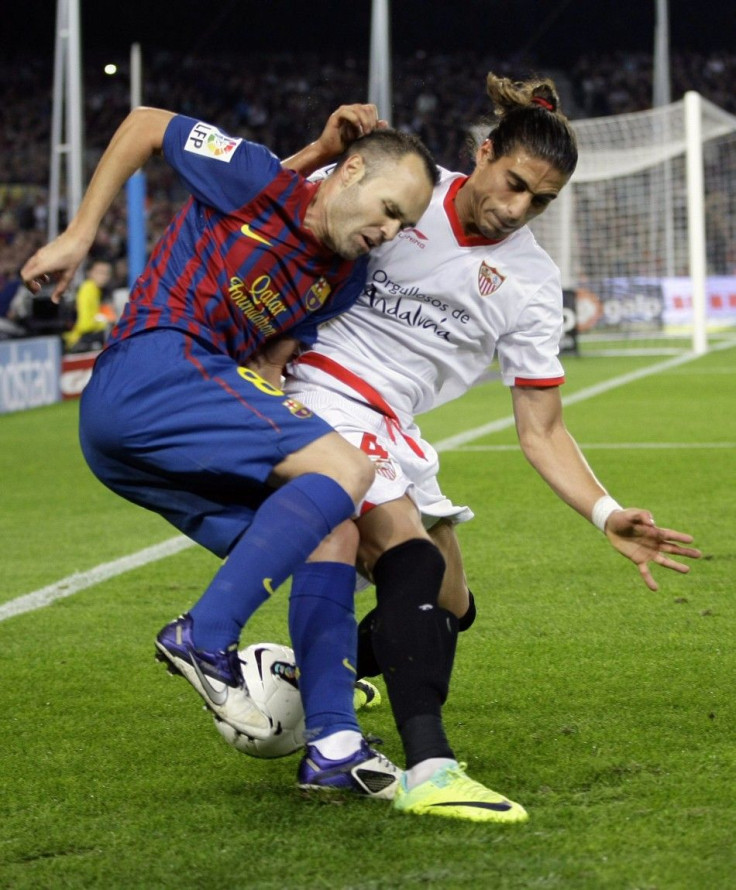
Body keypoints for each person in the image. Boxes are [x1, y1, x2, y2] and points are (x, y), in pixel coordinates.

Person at [280, 73, 702, 822]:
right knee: (412, 558)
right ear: (482, 153)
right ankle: (430, 768)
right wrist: (318, 150)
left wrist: (605, 513)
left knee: (451, 606)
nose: (516, 209)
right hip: (318, 390)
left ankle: (297, 678)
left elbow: (541, 428)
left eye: (539, 200)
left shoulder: (532, 282)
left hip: (394, 422)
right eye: (512, 184)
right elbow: (273, 208)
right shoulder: (404, 188)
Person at [21, 103, 438, 798]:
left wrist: (277, 372)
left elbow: (274, 354)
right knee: (349, 468)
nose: (388, 231)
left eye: (403, 225)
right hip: (154, 366)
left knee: (333, 529)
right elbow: (146, 124)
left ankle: (333, 742)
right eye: (390, 209)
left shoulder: (342, 280)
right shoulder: (252, 178)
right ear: (354, 169)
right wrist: (78, 235)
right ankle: (204, 636)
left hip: (154, 432)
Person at [63, 258, 113, 352]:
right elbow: (85, 324)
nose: (104, 276)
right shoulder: (88, 288)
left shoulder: (99, 291)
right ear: (90, 273)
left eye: (107, 273)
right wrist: (104, 323)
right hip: (79, 340)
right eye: (100, 272)